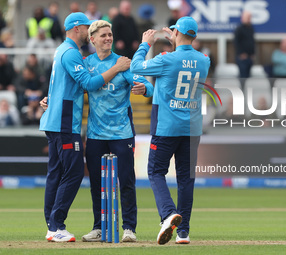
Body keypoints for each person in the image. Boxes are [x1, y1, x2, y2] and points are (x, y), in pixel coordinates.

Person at [39, 12, 131, 242]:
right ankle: (56, 225)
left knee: (56, 174)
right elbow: (89, 83)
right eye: (87, 27)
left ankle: (52, 224)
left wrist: (49, 99)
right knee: (74, 173)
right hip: (64, 121)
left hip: (57, 118)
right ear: (77, 28)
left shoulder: (62, 50)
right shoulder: (71, 53)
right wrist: (116, 68)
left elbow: (60, 85)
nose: (88, 31)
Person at [130, 16, 210, 245]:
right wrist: (177, 39)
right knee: (186, 179)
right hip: (192, 128)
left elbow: (136, 66)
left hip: (167, 127)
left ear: (176, 34)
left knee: (155, 172)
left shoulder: (165, 59)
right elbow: (170, 78)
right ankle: (183, 233)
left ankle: (167, 214)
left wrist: (146, 43)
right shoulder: (205, 60)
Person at [80, 20, 154, 243]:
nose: (108, 38)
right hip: (94, 133)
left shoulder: (124, 63)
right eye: (103, 35)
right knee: (96, 182)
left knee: (126, 181)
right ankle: (99, 227)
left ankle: (129, 228)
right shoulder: (86, 63)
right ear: (92, 39)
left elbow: (148, 86)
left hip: (121, 132)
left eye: (110, 34)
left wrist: (144, 89)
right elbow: (79, 85)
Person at [233, 11, 255, 80]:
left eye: (249, 17)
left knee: (248, 76)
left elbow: (252, 42)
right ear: (242, 18)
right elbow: (236, 42)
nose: (249, 19)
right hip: (242, 58)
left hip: (249, 57)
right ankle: (242, 90)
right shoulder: (239, 29)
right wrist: (241, 54)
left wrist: (252, 54)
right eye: (247, 17)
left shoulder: (251, 29)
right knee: (243, 76)